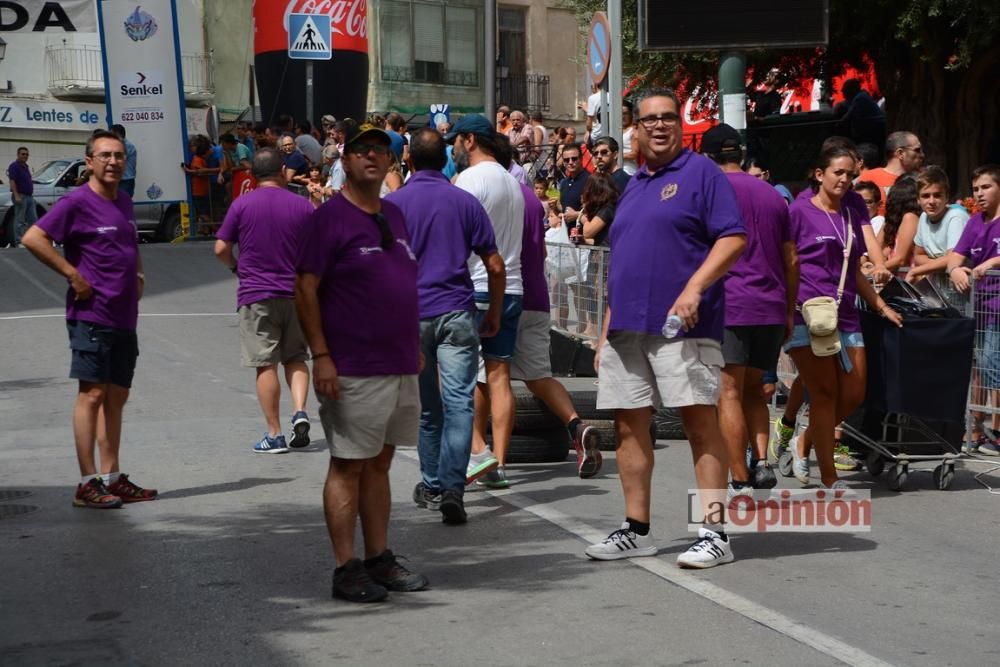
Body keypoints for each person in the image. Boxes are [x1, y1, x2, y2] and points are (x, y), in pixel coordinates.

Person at [585, 87, 747, 568]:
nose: (659, 125)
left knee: (700, 422)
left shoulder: (702, 173)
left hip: (683, 326)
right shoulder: (634, 183)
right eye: (649, 119)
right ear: (635, 127)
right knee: (628, 426)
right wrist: (605, 328)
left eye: (668, 118)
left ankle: (715, 533)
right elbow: (625, 260)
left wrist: (694, 288)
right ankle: (636, 529)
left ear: (680, 124)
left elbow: (733, 238)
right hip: (626, 328)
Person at [295, 121, 429, 603]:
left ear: (391, 161)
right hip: (351, 364)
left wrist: (411, 343)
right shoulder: (328, 218)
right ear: (345, 160)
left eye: (381, 150)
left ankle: (379, 557)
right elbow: (305, 287)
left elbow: (400, 283)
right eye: (362, 150)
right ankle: (345, 566)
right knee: (349, 464)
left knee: (381, 462)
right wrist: (322, 356)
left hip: (398, 362)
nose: (372, 156)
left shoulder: (396, 215)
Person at [21, 130, 156, 508]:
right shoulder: (77, 202)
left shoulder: (125, 202)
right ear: (90, 161)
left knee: (117, 395)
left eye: (118, 156)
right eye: (105, 155)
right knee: (92, 394)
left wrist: (140, 275)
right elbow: (33, 238)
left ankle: (112, 477)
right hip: (91, 315)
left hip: (124, 314)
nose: (113, 161)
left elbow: (130, 245)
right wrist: (73, 274)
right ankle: (86, 482)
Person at [386, 128, 505, 523]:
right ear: (446, 161)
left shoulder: (394, 205)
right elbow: (495, 264)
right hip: (457, 312)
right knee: (459, 405)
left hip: (410, 317)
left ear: (410, 160)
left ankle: (433, 485)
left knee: (427, 409)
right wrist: (495, 311)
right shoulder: (464, 202)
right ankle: (455, 487)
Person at [474, 133, 605, 479]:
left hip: (505, 292)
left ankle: (485, 456)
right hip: (536, 296)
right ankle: (576, 425)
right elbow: (544, 252)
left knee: (489, 378)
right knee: (538, 376)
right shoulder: (532, 201)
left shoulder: (498, 196)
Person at [784, 144, 902, 489]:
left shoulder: (852, 206)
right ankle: (830, 478)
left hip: (845, 313)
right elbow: (788, 263)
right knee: (824, 394)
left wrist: (882, 302)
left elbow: (858, 266)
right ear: (819, 174)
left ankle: (804, 440)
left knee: (853, 393)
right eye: (839, 172)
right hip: (808, 313)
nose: (846, 180)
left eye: (851, 174)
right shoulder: (798, 211)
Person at [699, 123, 798, 495]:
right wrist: (788, 310)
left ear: (708, 158)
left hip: (731, 304)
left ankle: (739, 476)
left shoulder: (710, 191)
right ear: (739, 155)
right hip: (771, 306)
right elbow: (792, 258)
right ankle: (762, 461)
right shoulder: (774, 196)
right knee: (756, 391)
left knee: (728, 393)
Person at [214, 147, 314, 454]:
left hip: (256, 293)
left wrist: (235, 267)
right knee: (296, 357)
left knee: (265, 363)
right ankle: (300, 411)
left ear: (253, 175)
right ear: (283, 170)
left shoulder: (242, 205)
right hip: (295, 294)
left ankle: (275, 434)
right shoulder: (302, 206)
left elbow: (220, 248)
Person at [445, 114, 525, 489]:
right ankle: (498, 462)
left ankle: (479, 456)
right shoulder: (513, 181)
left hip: (476, 285)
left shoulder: (468, 180)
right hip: (512, 286)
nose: (454, 150)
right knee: (498, 376)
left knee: (463, 378)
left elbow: (454, 234)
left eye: (457, 142)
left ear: (470, 141)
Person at [947, 165, 1000, 455]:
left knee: (996, 369)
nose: (979, 194)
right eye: (976, 188)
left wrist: (992, 263)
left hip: (998, 307)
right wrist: (955, 269)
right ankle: (978, 428)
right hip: (979, 308)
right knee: (981, 369)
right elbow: (954, 257)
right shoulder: (975, 221)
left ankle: (997, 432)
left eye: (986, 187)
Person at [906, 166, 970, 283]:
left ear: (947, 197)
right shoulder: (923, 217)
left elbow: (953, 258)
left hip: (962, 287)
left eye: (937, 195)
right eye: (925, 196)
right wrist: (940, 264)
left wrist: (916, 271)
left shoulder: (956, 217)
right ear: (918, 200)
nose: (931, 201)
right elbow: (918, 255)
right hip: (940, 286)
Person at [858, 131, 925, 216]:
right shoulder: (868, 178)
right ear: (900, 153)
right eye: (917, 150)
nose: (922, 155)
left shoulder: (923, 179)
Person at [880, 175, 921, 271]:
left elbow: (900, 259)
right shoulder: (896, 223)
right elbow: (877, 249)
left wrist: (875, 270)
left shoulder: (910, 218)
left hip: (907, 281)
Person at [6, 146, 36, 246]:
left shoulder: (26, 167)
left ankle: (31, 240)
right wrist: (16, 195)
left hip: (29, 197)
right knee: (20, 220)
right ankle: (19, 241)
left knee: (33, 220)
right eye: (23, 154)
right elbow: (12, 181)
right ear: (18, 155)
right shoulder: (14, 166)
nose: (25, 156)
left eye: (27, 154)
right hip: (20, 196)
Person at [557, 143, 589, 228]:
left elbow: (596, 211)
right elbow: (566, 207)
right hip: (567, 233)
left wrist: (576, 215)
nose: (570, 162)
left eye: (574, 159)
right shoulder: (564, 182)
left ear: (581, 159)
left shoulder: (590, 180)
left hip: (584, 234)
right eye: (566, 160)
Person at [111, 125, 138, 198]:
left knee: (123, 205)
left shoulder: (128, 146)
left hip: (126, 181)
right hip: (118, 180)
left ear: (117, 134)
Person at [621, 100, 639, 175]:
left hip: (629, 171)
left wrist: (617, 155)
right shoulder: (617, 130)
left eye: (625, 113)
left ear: (631, 114)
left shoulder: (633, 131)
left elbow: (634, 154)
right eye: (621, 113)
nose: (623, 116)